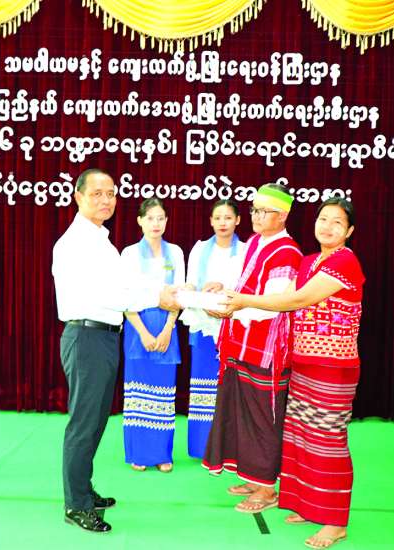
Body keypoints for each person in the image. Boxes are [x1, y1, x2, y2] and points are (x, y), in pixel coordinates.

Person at [221, 197, 364, 549]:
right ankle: (307, 505)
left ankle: (335, 522)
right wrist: (226, 301)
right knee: (300, 436)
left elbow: (296, 300)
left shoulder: (345, 261)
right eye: (323, 219)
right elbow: (278, 297)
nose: (327, 226)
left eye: (337, 222)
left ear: (349, 231)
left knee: (328, 440)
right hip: (303, 363)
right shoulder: (309, 261)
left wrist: (243, 301)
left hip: (334, 368)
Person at [52, 168, 179, 533]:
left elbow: (124, 283)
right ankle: (76, 505)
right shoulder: (76, 243)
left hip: (103, 337)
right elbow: (107, 294)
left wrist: (162, 291)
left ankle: (83, 490)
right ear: (78, 196)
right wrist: (157, 296)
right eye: (97, 193)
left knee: (94, 422)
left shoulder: (101, 241)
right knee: (84, 423)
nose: (106, 200)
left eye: (110, 193)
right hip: (86, 337)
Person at [201, 183, 302, 514]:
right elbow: (244, 286)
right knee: (242, 414)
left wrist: (231, 308)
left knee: (263, 420)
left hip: (266, 350)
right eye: (254, 210)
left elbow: (272, 305)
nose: (256, 217)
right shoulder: (257, 242)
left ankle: (267, 488)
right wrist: (223, 291)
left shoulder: (287, 252)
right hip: (241, 343)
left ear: (283, 215)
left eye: (264, 211)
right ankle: (253, 477)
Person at [120, 198, 185, 473]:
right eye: (150, 218)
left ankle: (162, 454)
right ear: (140, 221)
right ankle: (139, 453)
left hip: (167, 326)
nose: (156, 223)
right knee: (139, 391)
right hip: (138, 327)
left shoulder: (176, 252)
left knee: (163, 392)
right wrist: (144, 333)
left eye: (160, 218)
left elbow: (179, 294)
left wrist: (168, 328)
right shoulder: (128, 254)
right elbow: (124, 297)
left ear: (167, 221)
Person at [180, 199, 244, 458]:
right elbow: (190, 284)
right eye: (217, 218)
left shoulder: (246, 251)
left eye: (228, 217)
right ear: (210, 221)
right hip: (203, 325)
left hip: (233, 326)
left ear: (237, 220)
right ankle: (202, 447)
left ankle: (228, 447)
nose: (222, 223)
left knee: (229, 387)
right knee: (203, 386)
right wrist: (197, 295)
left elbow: (247, 288)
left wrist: (224, 289)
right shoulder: (199, 249)